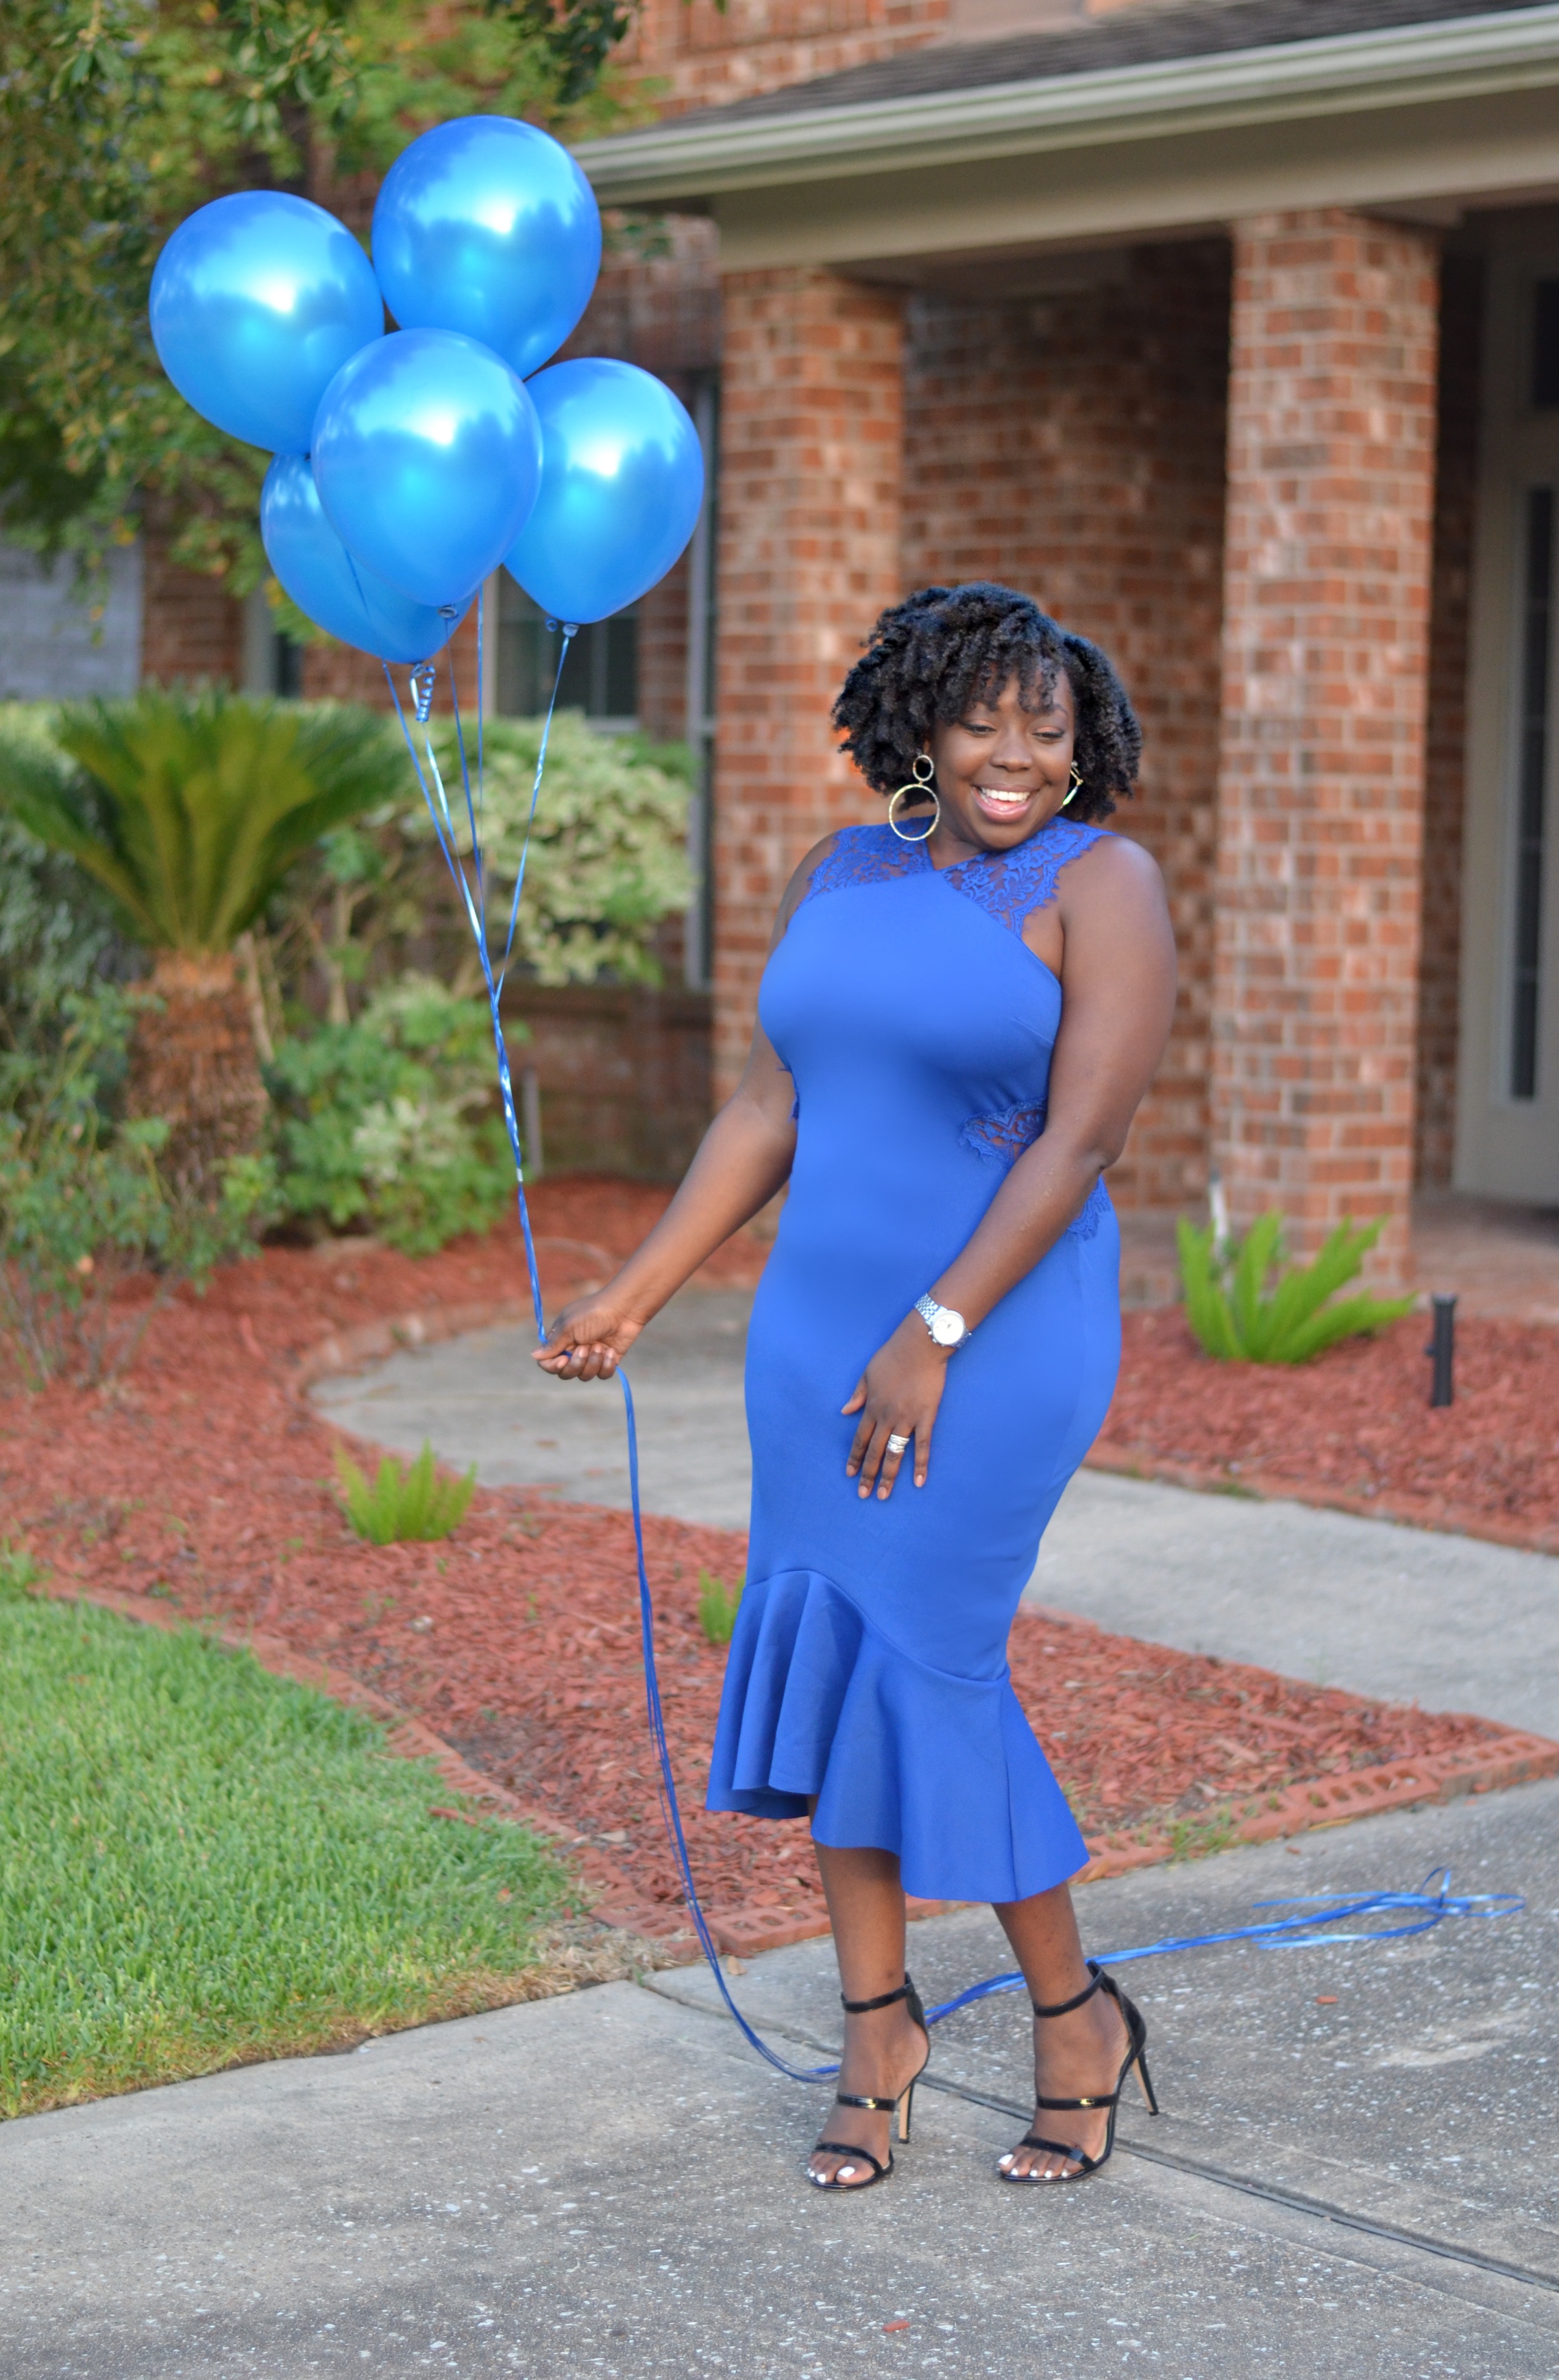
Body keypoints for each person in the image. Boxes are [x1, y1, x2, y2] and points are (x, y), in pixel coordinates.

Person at [535, 581, 1177, 2192]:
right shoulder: (840, 868)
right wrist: (632, 1293)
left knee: (933, 1662)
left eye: (1047, 728)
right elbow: (771, 1105)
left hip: (995, 1334)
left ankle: (1076, 2020)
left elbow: (1081, 1142)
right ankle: (876, 2030)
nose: (1015, 756)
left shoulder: (1102, 884)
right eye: (982, 722)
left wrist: (934, 1331)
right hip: (817, 1335)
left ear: (1083, 741)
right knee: (830, 1655)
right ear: (921, 727)